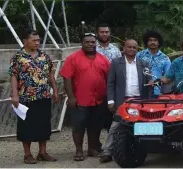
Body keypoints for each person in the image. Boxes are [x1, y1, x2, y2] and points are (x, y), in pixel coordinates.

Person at [9, 30, 60, 164]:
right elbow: (13, 76)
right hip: (25, 97)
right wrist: (14, 94)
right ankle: (27, 154)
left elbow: (51, 75)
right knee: (27, 125)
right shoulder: (18, 57)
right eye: (34, 40)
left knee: (44, 124)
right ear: (25, 41)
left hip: (43, 95)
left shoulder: (44, 56)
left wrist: (55, 91)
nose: (37, 43)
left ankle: (42, 152)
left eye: (38, 40)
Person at [60, 33, 111, 161]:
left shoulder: (103, 59)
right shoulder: (73, 58)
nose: (90, 44)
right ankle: (78, 150)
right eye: (87, 42)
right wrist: (71, 98)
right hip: (80, 100)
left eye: (92, 42)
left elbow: (109, 78)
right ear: (82, 43)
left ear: (96, 43)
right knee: (79, 126)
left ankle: (92, 148)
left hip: (99, 100)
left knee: (96, 126)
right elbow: (67, 78)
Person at [101, 39, 152, 163]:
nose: (132, 49)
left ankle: (143, 149)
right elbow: (110, 83)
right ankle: (107, 150)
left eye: (134, 47)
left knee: (141, 125)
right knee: (116, 125)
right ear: (124, 48)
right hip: (122, 101)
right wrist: (110, 101)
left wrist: (149, 102)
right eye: (129, 47)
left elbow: (149, 84)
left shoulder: (143, 63)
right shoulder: (116, 63)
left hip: (140, 100)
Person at [137, 31, 171, 97]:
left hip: (157, 92)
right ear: (147, 42)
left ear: (159, 43)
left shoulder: (165, 58)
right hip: (139, 91)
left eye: (155, 40)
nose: (152, 42)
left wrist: (159, 81)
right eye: (150, 40)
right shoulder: (139, 55)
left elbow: (169, 75)